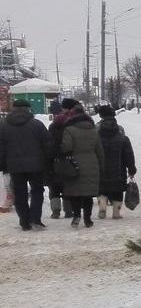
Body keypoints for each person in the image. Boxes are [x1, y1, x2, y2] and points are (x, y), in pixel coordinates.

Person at [0, 99, 53, 230]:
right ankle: (35, 219)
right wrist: (48, 161)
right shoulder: (37, 124)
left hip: (14, 166)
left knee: (19, 193)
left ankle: (24, 221)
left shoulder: (4, 126)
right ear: (28, 109)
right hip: (36, 165)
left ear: (14, 109)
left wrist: (3, 164)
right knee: (37, 191)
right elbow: (48, 144)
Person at [58, 103, 105, 228]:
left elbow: (66, 147)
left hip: (74, 164)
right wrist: (101, 166)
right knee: (88, 195)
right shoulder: (94, 130)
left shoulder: (69, 130)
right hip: (92, 163)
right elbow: (99, 150)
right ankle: (88, 219)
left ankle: (77, 215)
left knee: (75, 193)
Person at [96, 114, 136, 220]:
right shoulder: (123, 139)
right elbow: (129, 156)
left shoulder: (96, 138)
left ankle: (102, 206)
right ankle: (116, 213)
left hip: (101, 170)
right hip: (118, 172)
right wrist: (131, 169)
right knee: (118, 192)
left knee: (102, 190)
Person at [46, 98, 81, 218]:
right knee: (69, 184)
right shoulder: (75, 124)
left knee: (54, 185)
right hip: (71, 158)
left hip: (55, 158)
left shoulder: (53, 125)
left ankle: (55, 210)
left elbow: (48, 143)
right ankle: (68, 210)